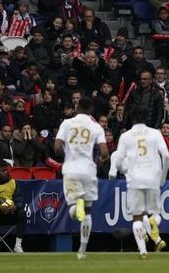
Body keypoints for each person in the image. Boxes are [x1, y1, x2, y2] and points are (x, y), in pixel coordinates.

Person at [109, 105, 169, 258]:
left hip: (135, 178)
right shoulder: (155, 133)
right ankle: (153, 224)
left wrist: (116, 170)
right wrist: (162, 177)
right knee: (155, 213)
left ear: (132, 118)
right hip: (153, 177)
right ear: (147, 118)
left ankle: (143, 251)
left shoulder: (126, 136)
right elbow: (167, 156)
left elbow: (117, 158)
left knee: (137, 216)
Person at [54, 97, 108, 260]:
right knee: (88, 211)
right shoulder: (96, 126)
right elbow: (105, 152)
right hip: (88, 170)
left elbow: (57, 147)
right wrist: (97, 161)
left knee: (74, 209)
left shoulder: (66, 123)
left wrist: (67, 156)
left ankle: (75, 207)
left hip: (71, 169)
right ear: (91, 110)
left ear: (76, 108)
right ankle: (82, 250)